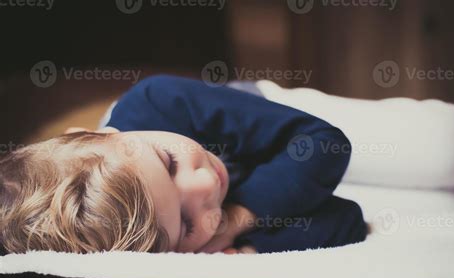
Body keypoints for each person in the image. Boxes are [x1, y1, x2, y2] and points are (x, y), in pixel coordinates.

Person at [0, 75, 367, 255]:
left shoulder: (160, 100)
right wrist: (248, 248)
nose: (206, 185)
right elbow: (346, 218)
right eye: (187, 224)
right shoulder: (179, 244)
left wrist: (237, 216)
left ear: (94, 136)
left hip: (265, 108)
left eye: (169, 162)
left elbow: (325, 142)